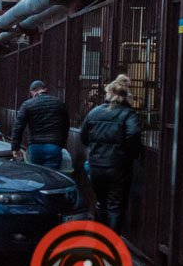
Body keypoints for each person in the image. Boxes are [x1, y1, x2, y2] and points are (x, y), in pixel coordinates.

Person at [79, 74, 143, 231]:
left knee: (101, 202)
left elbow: (83, 137)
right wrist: (131, 153)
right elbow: (133, 134)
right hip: (118, 167)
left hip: (96, 165)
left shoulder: (94, 112)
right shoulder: (128, 114)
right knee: (115, 206)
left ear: (108, 93)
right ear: (126, 95)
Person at [10, 80, 70, 170]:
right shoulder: (58, 103)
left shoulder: (27, 104)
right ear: (45, 89)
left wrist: (15, 147)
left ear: (32, 92)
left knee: (37, 174)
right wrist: (62, 143)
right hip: (53, 145)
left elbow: (18, 127)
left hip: (35, 146)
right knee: (52, 174)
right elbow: (66, 125)